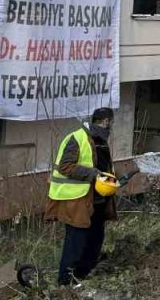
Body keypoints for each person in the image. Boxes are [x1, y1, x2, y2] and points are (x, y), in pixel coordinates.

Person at [46, 107, 117, 286]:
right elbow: (65, 167)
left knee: (94, 242)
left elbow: (103, 168)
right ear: (106, 121)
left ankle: (81, 278)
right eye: (111, 123)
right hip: (78, 202)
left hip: (98, 202)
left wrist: (111, 180)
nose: (111, 128)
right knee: (75, 245)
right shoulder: (77, 138)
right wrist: (93, 173)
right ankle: (64, 283)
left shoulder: (101, 141)